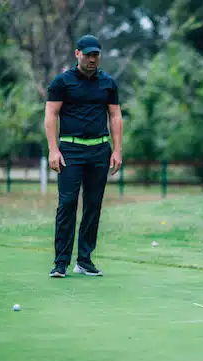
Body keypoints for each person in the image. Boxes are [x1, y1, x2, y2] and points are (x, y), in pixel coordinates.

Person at [44, 35, 123, 278]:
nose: (92, 59)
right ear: (77, 53)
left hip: (99, 150)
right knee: (67, 204)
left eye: (95, 55)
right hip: (70, 151)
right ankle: (61, 263)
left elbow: (115, 117)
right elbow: (51, 115)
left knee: (93, 205)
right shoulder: (62, 82)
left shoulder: (108, 83)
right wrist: (53, 149)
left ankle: (85, 260)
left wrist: (117, 149)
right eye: (87, 54)